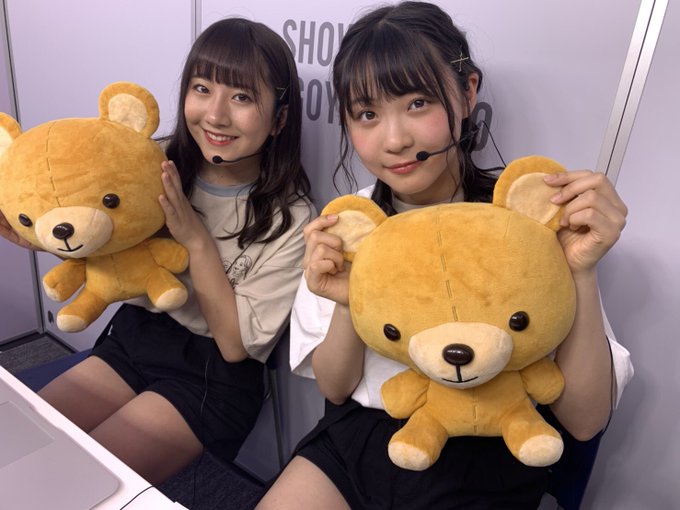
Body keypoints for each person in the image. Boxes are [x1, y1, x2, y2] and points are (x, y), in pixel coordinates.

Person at [256, 2, 633, 509]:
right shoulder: (353, 225)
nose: (395, 140)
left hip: (488, 454)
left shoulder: (528, 223)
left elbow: (585, 421)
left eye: (417, 103)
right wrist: (348, 299)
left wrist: (581, 270)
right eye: (367, 114)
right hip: (355, 441)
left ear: (467, 92)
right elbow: (336, 387)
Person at [0, 18, 314, 484]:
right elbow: (109, 248)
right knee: (21, 444)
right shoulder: (152, 162)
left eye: (242, 97)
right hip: (136, 337)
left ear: (280, 119)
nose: (215, 115)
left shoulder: (291, 217)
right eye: (202, 89)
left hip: (212, 375)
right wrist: (39, 238)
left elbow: (234, 346)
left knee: (76, 478)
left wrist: (195, 239)